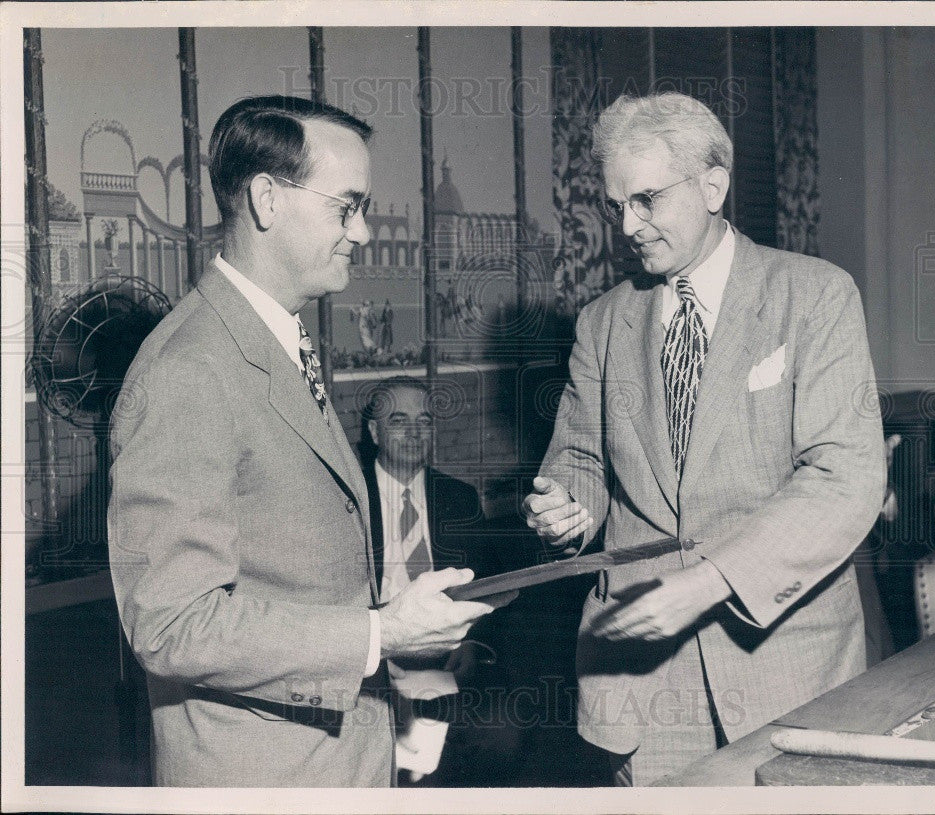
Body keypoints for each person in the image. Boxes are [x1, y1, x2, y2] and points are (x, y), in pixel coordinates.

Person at [107, 95, 502, 787]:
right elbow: (171, 623)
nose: (367, 230)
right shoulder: (188, 369)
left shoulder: (272, 337)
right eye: (346, 206)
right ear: (267, 199)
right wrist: (380, 634)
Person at [522, 92, 886, 785]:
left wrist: (714, 579)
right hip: (642, 678)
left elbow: (845, 475)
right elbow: (580, 455)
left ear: (713, 184)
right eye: (615, 205)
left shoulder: (815, 295)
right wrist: (566, 506)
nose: (626, 225)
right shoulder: (602, 322)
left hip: (786, 665)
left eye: (646, 200)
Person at [360, 376, 521, 786]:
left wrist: (473, 642)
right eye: (399, 420)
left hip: (447, 654)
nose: (415, 431)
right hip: (373, 655)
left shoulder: (459, 497)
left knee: (503, 738)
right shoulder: (350, 497)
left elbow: (491, 584)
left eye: (425, 419)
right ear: (374, 431)